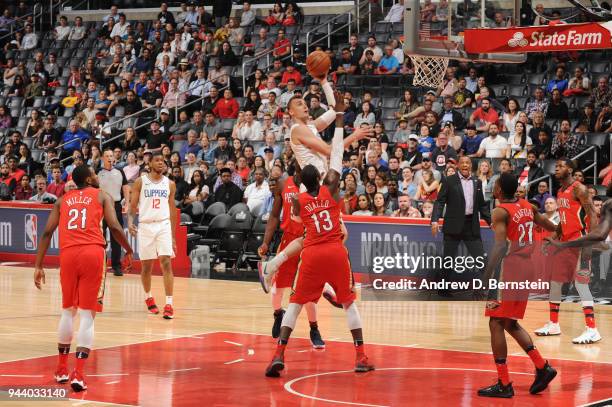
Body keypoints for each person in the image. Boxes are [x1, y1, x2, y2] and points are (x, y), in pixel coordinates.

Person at [264, 158, 374, 377]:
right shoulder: (330, 192)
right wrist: (340, 127)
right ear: (319, 179)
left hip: (312, 253)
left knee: (294, 305)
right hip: (335, 251)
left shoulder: (298, 200)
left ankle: (279, 354)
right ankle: (360, 356)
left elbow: (297, 222)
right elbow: (335, 164)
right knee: (349, 304)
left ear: (303, 183)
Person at [34, 165, 133, 392]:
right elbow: (116, 227)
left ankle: (61, 369)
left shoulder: (62, 200)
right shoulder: (101, 196)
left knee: (68, 310)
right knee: (88, 313)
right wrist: (128, 250)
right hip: (92, 253)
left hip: (68, 254)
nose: (98, 177)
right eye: (95, 174)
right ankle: (78, 373)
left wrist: (38, 265)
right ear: (89, 178)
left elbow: (47, 233)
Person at [477, 173, 557, 398]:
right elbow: (548, 225)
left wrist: (485, 278)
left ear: (499, 190)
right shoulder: (527, 206)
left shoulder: (500, 211)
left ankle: (504, 383)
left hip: (509, 269)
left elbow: (500, 246)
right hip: (527, 267)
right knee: (509, 323)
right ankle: (542, 367)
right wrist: (556, 236)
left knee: (495, 322)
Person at [257, 162, 326, 348]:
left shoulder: (315, 189)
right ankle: (278, 314)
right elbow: (273, 216)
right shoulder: (282, 184)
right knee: (278, 288)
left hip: (308, 241)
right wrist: (265, 242)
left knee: (309, 291)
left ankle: (314, 328)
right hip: (288, 240)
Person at [534, 158, 601, 344]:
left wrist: (589, 244)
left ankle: (592, 329)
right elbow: (564, 221)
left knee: (581, 284)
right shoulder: (560, 191)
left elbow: (593, 217)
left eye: (561, 166)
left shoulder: (579, 188)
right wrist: (553, 238)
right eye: (556, 166)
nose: (557, 169)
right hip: (564, 244)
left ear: (570, 170)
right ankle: (554, 324)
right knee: (555, 283)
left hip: (579, 242)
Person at [431, 156, 491, 297]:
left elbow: (482, 205)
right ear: (457, 165)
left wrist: (491, 221)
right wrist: (435, 220)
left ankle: (489, 290)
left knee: (481, 259)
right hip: (453, 226)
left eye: (467, 163)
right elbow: (439, 202)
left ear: (471, 166)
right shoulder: (448, 180)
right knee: (448, 260)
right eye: (462, 162)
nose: (465, 165)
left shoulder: (477, 181)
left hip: (471, 225)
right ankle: (443, 290)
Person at [128, 153, 177, 319]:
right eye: (157, 160)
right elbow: (133, 205)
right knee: (147, 266)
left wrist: (173, 236)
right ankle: (148, 297)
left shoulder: (170, 184)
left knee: (166, 262)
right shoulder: (141, 182)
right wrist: (129, 221)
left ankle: (169, 303)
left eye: (163, 161)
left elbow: (172, 210)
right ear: (150, 164)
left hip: (163, 224)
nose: (161, 163)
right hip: (146, 225)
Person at [98, 149, 130, 277]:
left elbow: (126, 187)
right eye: (107, 156)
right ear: (102, 158)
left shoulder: (120, 171)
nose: (110, 158)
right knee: (100, 237)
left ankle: (117, 266)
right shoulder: (97, 172)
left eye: (111, 156)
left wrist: (127, 203)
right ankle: (101, 265)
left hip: (116, 205)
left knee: (116, 236)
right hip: (100, 206)